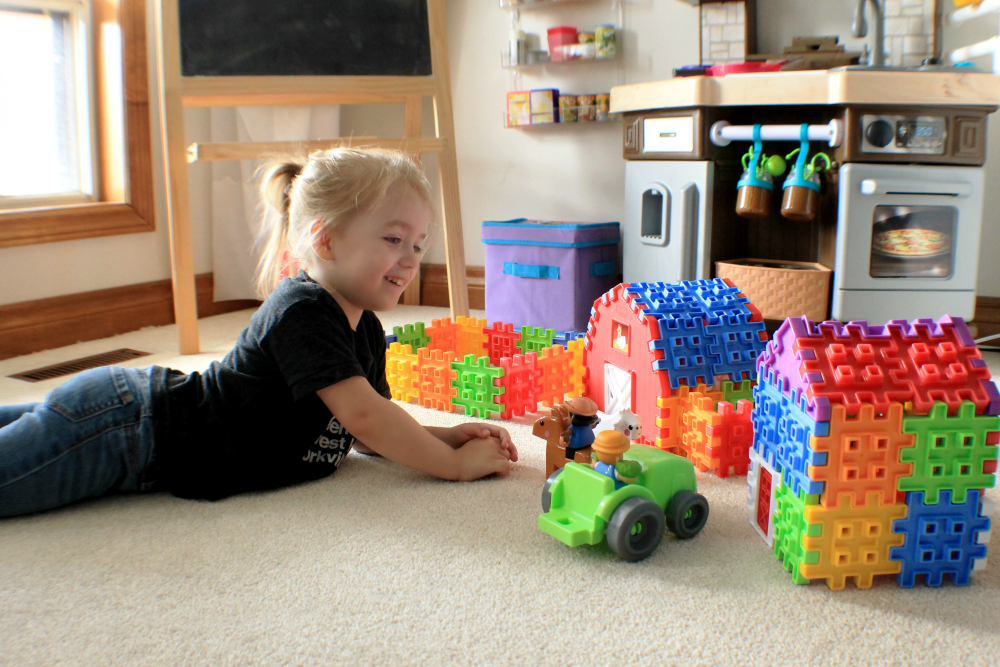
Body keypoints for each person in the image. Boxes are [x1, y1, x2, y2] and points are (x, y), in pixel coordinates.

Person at [0, 147, 517, 518]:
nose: (410, 260)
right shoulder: (303, 309)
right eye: (393, 238)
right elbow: (365, 415)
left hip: (128, 425)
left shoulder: (367, 329)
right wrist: (452, 466)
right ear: (326, 240)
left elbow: (366, 432)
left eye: (419, 245)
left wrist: (443, 436)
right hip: (131, 430)